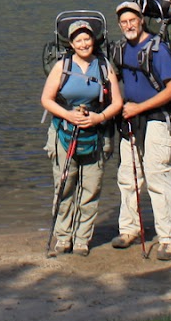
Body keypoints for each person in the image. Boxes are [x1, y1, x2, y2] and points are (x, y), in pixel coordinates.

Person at [40, 17, 123, 257]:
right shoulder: (62, 66)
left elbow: (117, 102)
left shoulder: (104, 65)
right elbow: (46, 99)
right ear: (71, 43)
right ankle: (63, 237)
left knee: (91, 188)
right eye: (79, 39)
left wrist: (99, 118)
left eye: (87, 38)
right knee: (64, 186)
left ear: (94, 41)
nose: (84, 43)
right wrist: (67, 114)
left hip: (96, 133)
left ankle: (82, 239)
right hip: (63, 133)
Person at [111, 0, 171, 260]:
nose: (129, 25)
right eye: (124, 22)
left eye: (133, 20)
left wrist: (138, 108)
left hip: (157, 119)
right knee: (128, 177)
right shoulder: (120, 49)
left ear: (141, 20)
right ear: (120, 25)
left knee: (157, 176)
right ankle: (129, 230)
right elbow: (117, 80)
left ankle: (167, 239)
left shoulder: (158, 49)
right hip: (130, 119)